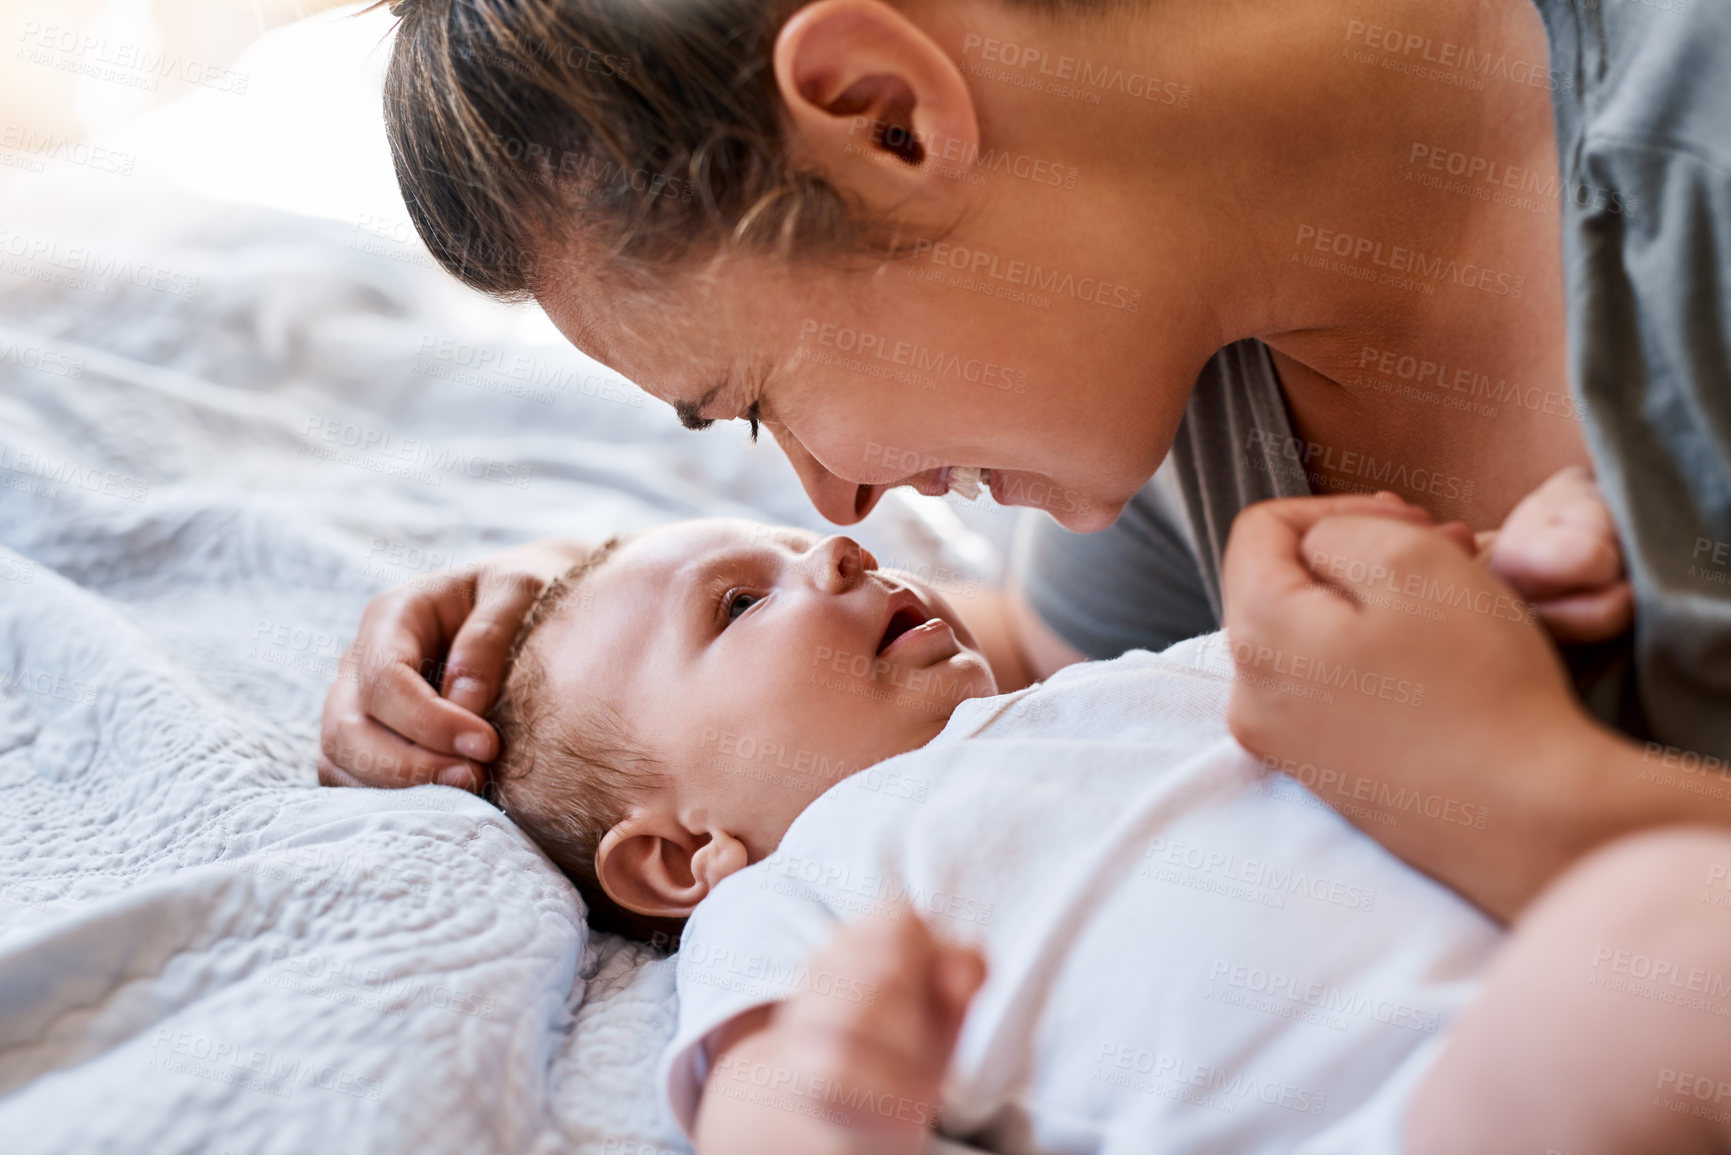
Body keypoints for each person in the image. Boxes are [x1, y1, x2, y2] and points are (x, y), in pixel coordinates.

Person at [329, 0, 1731, 919]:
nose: (837, 498)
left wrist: (1518, 792)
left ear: (888, 117)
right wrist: (557, 649)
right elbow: (1021, 694)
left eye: (756, 397)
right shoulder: (1170, 351)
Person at [472, 508, 1731, 1155]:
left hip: (1523, 1024)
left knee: (1656, 930)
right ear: (682, 853)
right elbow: (764, 1117)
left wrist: (1519, 561)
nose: (841, 552)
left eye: (810, 544)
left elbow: (1367, 651)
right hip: (1383, 1126)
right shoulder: (797, 886)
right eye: (743, 601)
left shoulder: (1117, 687)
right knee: (1655, 936)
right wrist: (846, 1088)